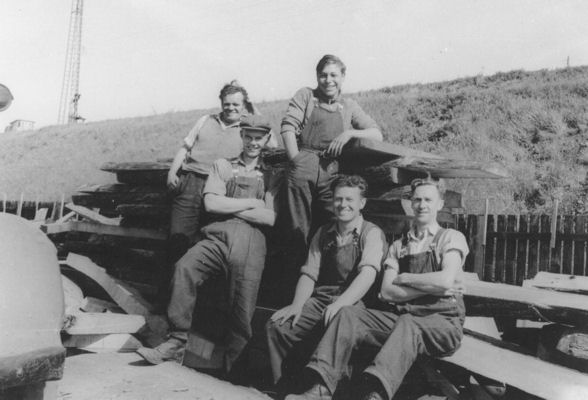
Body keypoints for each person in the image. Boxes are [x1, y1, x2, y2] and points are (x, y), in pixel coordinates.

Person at [286, 177, 469, 400]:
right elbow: (387, 292)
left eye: (428, 200)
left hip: (442, 323)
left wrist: (406, 277)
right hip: (405, 318)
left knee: (409, 324)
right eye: (417, 199)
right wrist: (432, 286)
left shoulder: (451, 238)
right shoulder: (398, 246)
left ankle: (376, 396)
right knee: (349, 314)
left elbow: (446, 280)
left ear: (439, 204)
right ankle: (321, 389)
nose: (422, 205)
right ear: (411, 203)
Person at [137, 115, 279, 374]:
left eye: (259, 138)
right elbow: (211, 204)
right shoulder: (222, 166)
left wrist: (231, 206)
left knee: (242, 308)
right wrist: (252, 203)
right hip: (217, 237)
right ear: (242, 136)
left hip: (251, 243)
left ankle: (234, 374)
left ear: (267, 139)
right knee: (184, 268)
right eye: (248, 136)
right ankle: (177, 340)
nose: (253, 142)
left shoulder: (272, 175)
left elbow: (269, 217)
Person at [266, 175, 387, 391]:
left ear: (362, 203)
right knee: (278, 327)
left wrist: (341, 304)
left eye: (350, 200)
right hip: (320, 301)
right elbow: (309, 273)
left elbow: (367, 275)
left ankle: (319, 391)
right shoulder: (324, 233)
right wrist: (297, 305)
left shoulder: (372, 234)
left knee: (338, 324)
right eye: (338, 199)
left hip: (353, 305)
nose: (343, 205)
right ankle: (282, 389)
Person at [279, 54, 383, 286]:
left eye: (334, 75)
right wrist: (297, 159)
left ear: (343, 77)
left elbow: (376, 133)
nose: (328, 80)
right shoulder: (306, 95)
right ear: (317, 76)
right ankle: (291, 289)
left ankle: (328, 286)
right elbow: (288, 127)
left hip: (330, 171)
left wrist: (349, 133)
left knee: (332, 226)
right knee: (296, 229)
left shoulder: (349, 106)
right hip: (303, 165)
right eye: (323, 75)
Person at [166, 80, 257, 262]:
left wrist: (254, 113)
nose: (230, 108)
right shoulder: (205, 120)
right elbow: (185, 147)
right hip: (191, 183)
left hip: (221, 188)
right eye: (227, 104)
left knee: (211, 240)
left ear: (244, 105)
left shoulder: (248, 128)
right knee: (178, 239)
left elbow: (271, 143)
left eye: (236, 104)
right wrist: (172, 173)